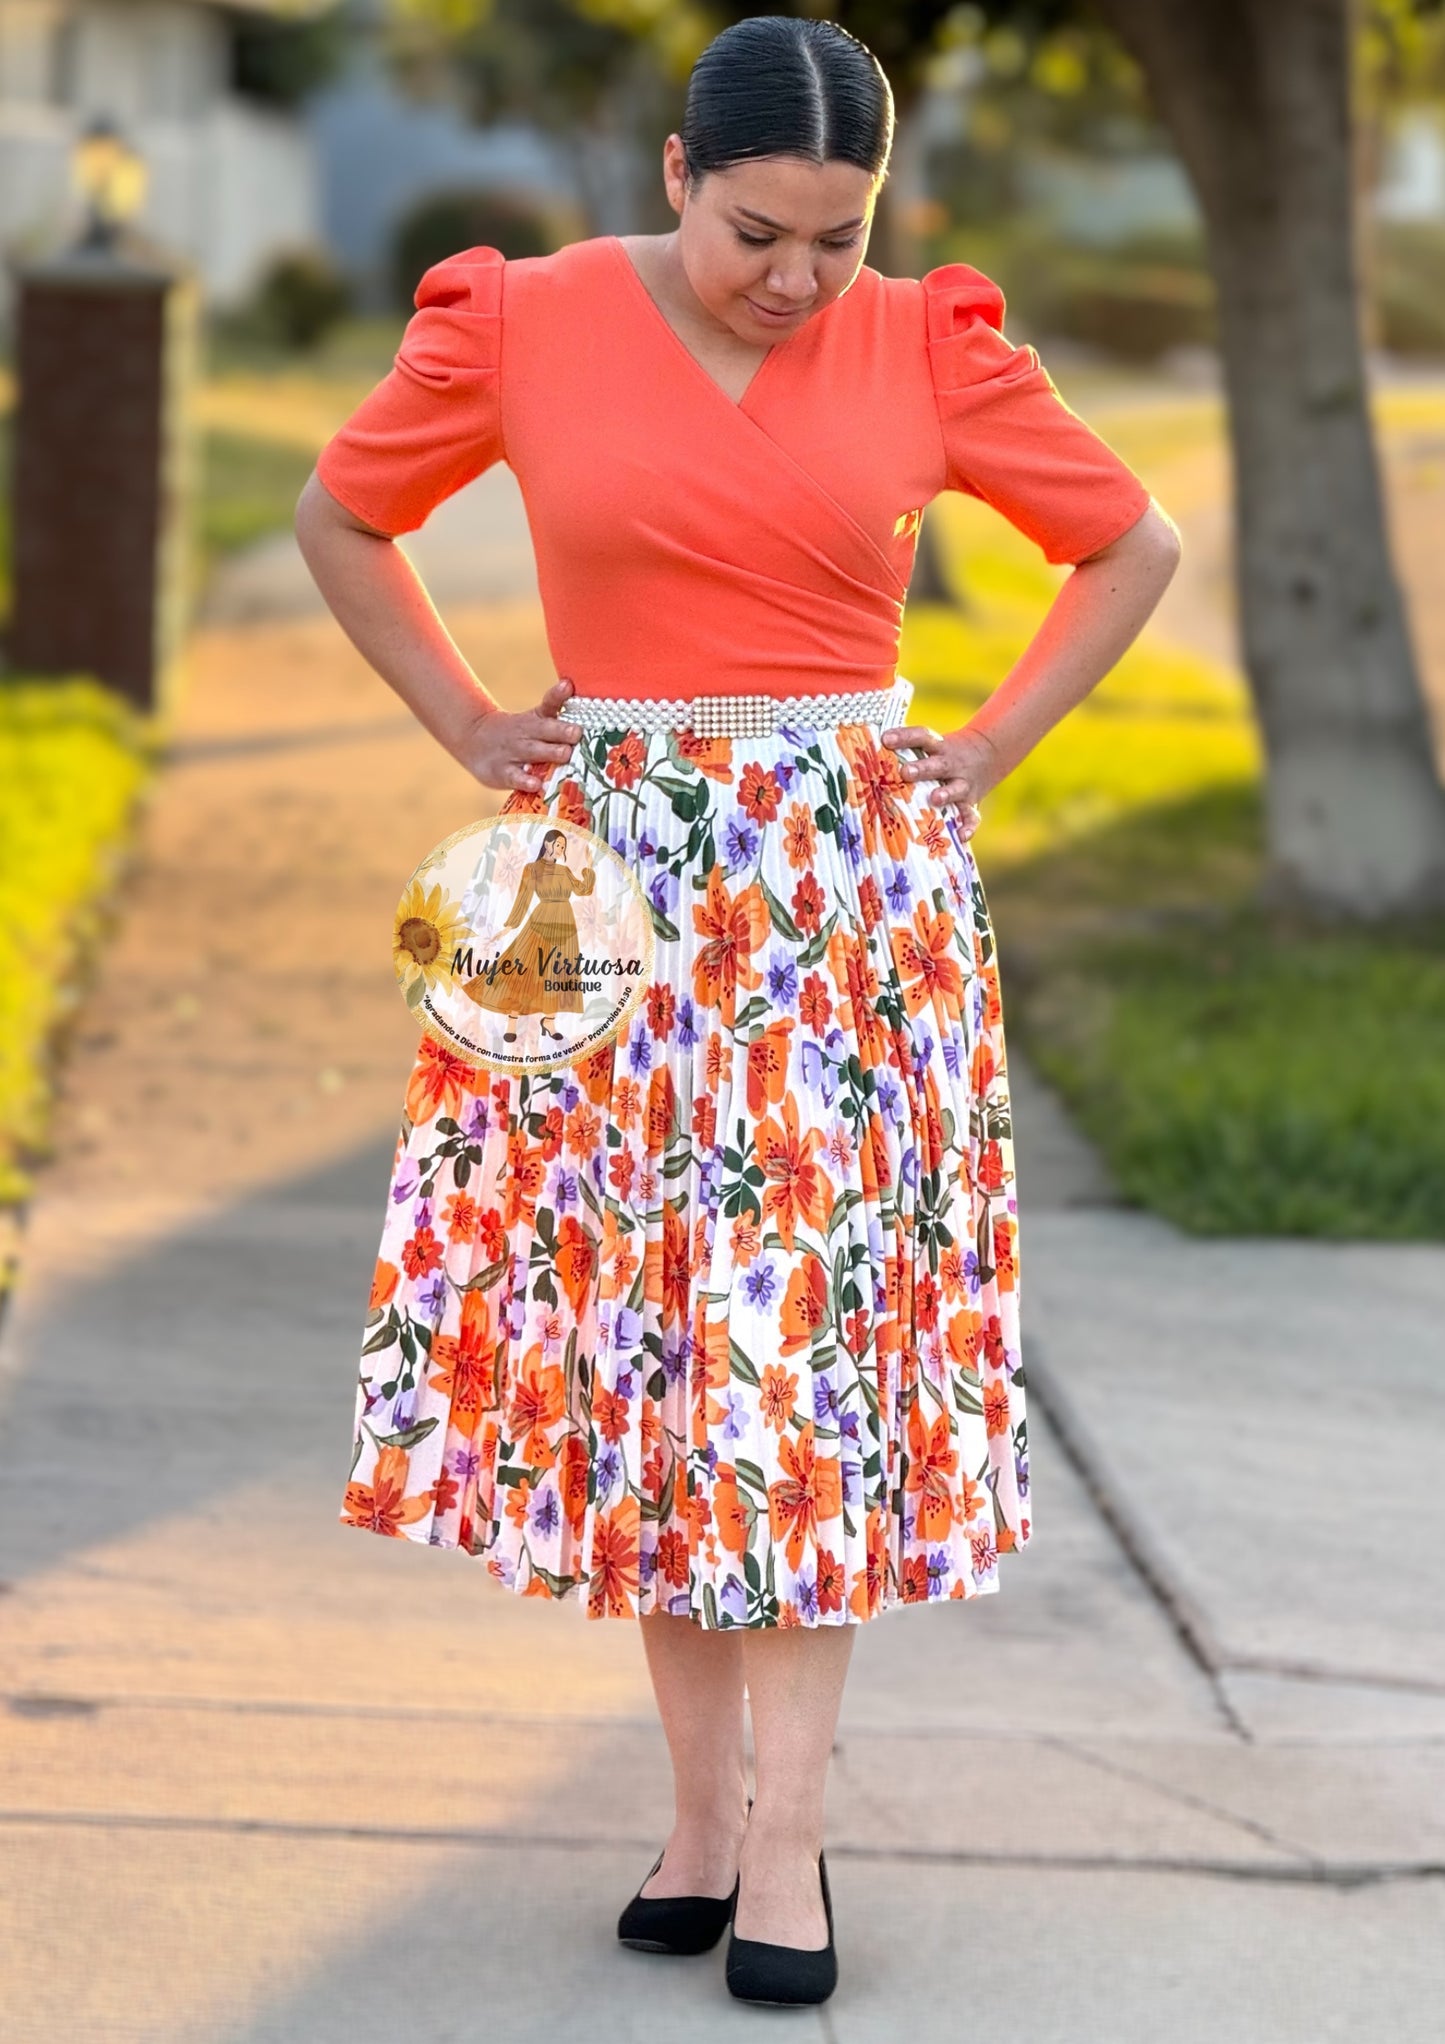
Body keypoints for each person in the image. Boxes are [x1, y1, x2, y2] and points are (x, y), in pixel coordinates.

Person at [294, 12, 1180, 2011]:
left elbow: (1132, 538)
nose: (795, 279)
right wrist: (464, 716)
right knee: (657, 1361)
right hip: (599, 888)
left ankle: (789, 1841)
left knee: (801, 1372)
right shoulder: (518, 321)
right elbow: (344, 512)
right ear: (677, 173)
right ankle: (697, 1818)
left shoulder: (929, 342)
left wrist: (997, 750)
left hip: (846, 909)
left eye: (838, 240)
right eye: (759, 231)